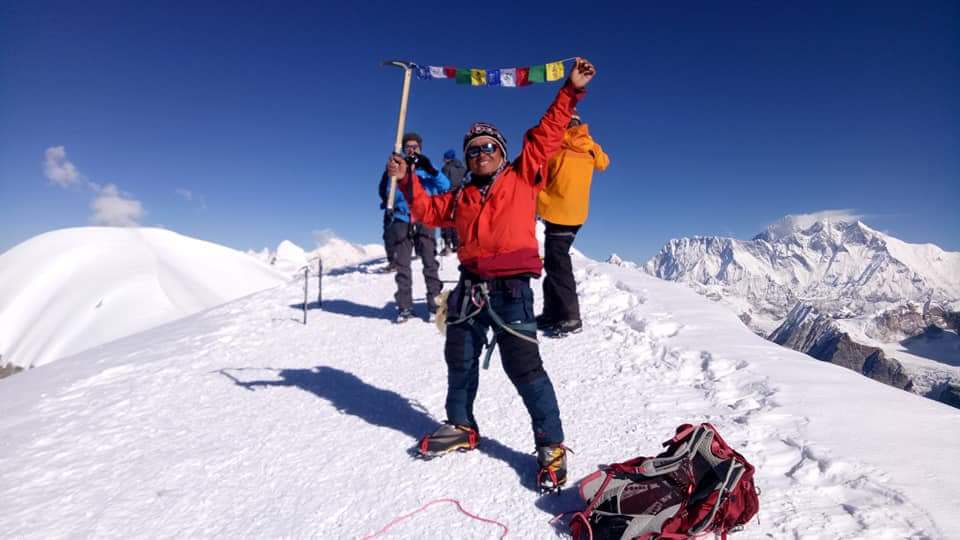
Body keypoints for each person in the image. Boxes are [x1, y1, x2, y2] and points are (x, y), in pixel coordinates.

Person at [387, 58, 597, 492]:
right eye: (474, 150)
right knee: (459, 362)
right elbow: (426, 211)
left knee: (524, 369)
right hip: (469, 289)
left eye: (489, 148)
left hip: (512, 291)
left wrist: (571, 91)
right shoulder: (460, 196)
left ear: (502, 153)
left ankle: (551, 446)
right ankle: (462, 425)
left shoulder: (524, 175)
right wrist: (407, 182)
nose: (481, 154)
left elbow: (546, 132)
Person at [536, 109, 610, 335]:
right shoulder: (589, 146)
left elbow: (539, 176)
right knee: (554, 262)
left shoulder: (555, 147)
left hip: (557, 211)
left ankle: (570, 317)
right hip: (577, 215)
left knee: (558, 265)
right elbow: (604, 163)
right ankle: (551, 312)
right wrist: (592, 145)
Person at [378, 133, 451, 323]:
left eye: (415, 147)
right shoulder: (396, 168)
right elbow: (388, 192)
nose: (411, 150)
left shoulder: (428, 168)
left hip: (425, 218)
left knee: (429, 262)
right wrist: (393, 177)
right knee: (403, 265)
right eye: (408, 147)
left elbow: (446, 185)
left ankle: (435, 305)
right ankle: (404, 307)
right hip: (402, 219)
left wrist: (430, 169)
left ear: (420, 148)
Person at [439, 149, 467, 256]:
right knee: (456, 219)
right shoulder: (462, 168)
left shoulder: (446, 168)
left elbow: (442, 183)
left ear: (447, 158)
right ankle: (457, 244)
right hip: (460, 195)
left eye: (445, 158)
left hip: (448, 195)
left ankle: (447, 245)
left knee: (446, 219)